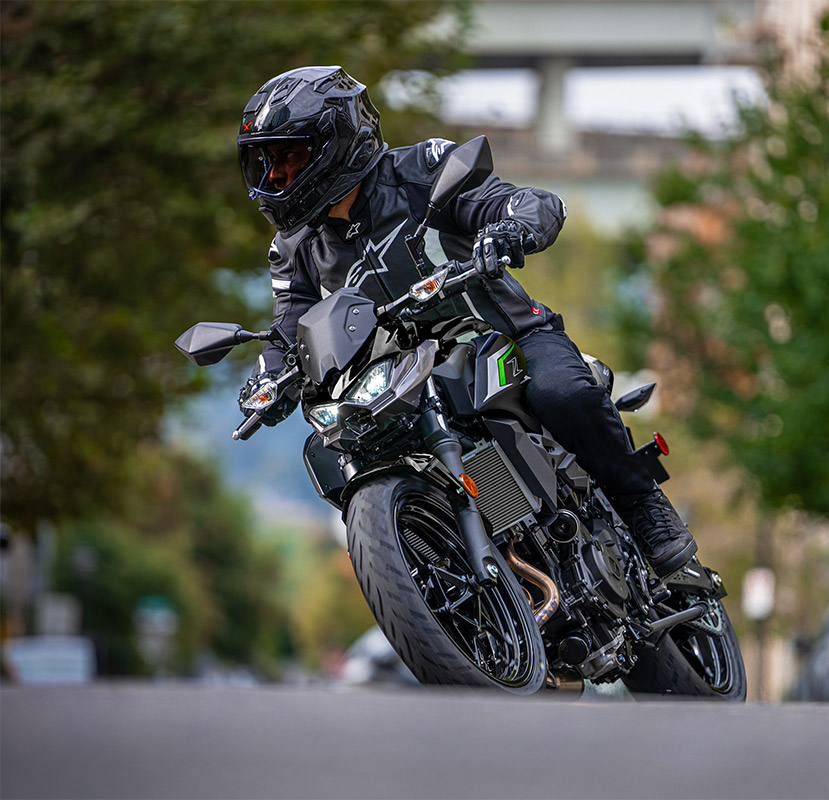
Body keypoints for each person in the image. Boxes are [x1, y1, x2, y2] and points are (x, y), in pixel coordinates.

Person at [236, 66, 696, 577]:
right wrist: (266, 379)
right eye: (266, 162)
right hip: (404, 379)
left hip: (503, 337)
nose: (274, 177)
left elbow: (522, 202)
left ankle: (641, 502)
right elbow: (287, 329)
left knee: (563, 393)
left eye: (289, 157)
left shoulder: (421, 171)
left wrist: (514, 227)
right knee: (353, 449)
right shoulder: (294, 247)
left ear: (339, 140)